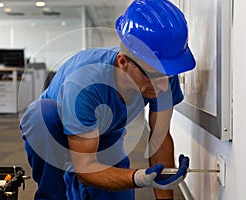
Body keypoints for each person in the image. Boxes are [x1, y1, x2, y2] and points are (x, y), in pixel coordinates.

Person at [20, 0, 196, 199]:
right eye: (154, 76)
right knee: (42, 115)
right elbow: (85, 168)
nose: (164, 86)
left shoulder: (162, 74)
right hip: (54, 125)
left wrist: (164, 188)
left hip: (107, 130)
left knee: (115, 192)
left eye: (169, 75)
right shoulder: (84, 83)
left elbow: (160, 136)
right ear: (123, 62)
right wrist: (138, 178)